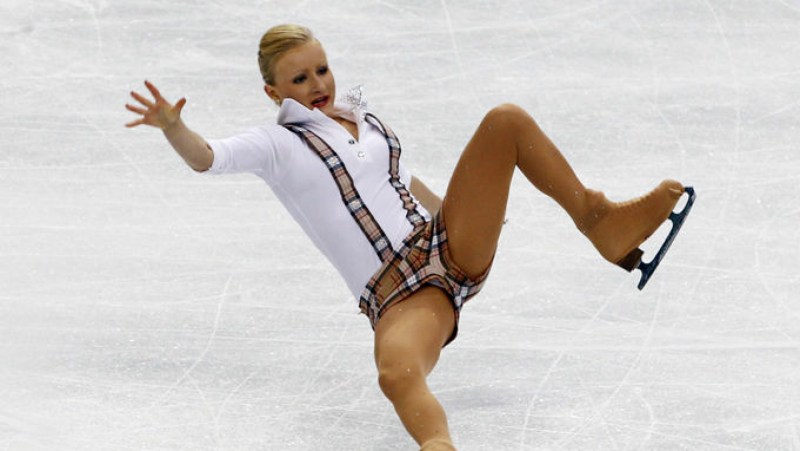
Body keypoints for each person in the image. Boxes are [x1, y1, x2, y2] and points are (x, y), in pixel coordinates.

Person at [125, 24, 691, 451]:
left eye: (321, 69)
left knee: (506, 120)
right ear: (274, 92)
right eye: (299, 79)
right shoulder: (277, 146)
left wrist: (467, 211)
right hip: (398, 295)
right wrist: (174, 127)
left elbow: (403, 181)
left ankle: (600, 221)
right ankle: (437, 446)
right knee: (396, 372)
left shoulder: (365, 120)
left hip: (444, 243)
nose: (317, 84)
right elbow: (207, 159)